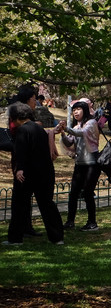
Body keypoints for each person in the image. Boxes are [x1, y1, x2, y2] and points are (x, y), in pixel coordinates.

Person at [4, 102, 64, 245]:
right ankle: (57, 237)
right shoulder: (40, 129)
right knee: (47, 204)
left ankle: (15, 238)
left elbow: (21, 152)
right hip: (45, 172)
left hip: (27, 173)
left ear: (16, 117)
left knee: (19, 205)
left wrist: (19, 169)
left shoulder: (22, 131)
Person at [58, 100, 101, 231]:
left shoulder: (91, 123)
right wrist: (63, 133)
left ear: (85, 110)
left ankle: (92, 222)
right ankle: (70, 221)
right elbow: (70, 142)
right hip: (80, 163)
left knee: (88, 193)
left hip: (92, 164)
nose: (76, 112)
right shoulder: (76, 127)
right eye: (74, 110)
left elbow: (82, 133)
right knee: (74, 193)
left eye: (78, 109)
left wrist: (67, 128)